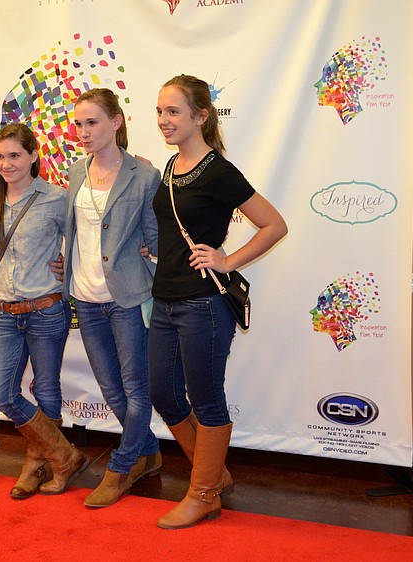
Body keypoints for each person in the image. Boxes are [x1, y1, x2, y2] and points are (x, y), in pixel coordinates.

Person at [150, 74, 288, 529]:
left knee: (207, 400)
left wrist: (227, 261)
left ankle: (203, 493)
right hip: (164, 299)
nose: (164, 120)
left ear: (201, 116)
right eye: (160, 111)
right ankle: (213, 475)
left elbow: (274, 225)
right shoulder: (171, 166)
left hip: (203, 305)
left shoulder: (219, 171)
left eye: (173, 111)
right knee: (163, 393)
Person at [63, 88, 162, 508]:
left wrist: (151, 254)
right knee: (111, 387)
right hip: (84, 298)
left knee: (136, 387)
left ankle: (121, 466)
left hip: (128, 297)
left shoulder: (144, 175)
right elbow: (72, 231)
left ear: (116, 122)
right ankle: (148, 452)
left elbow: (155, 237)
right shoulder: (74, 172)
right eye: (79, 124)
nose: (83, 132)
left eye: (92, 122)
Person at [0, 123, 89, 499]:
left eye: (15, 155)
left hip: (46, 308)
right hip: (3, 310)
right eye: (0, 156)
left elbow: (84, 242)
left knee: (46, 388)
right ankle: (64, 455)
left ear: (33, 156)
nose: (6, 164)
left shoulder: (56, 197)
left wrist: (66, 264)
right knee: (2, 395)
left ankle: (36, 464)